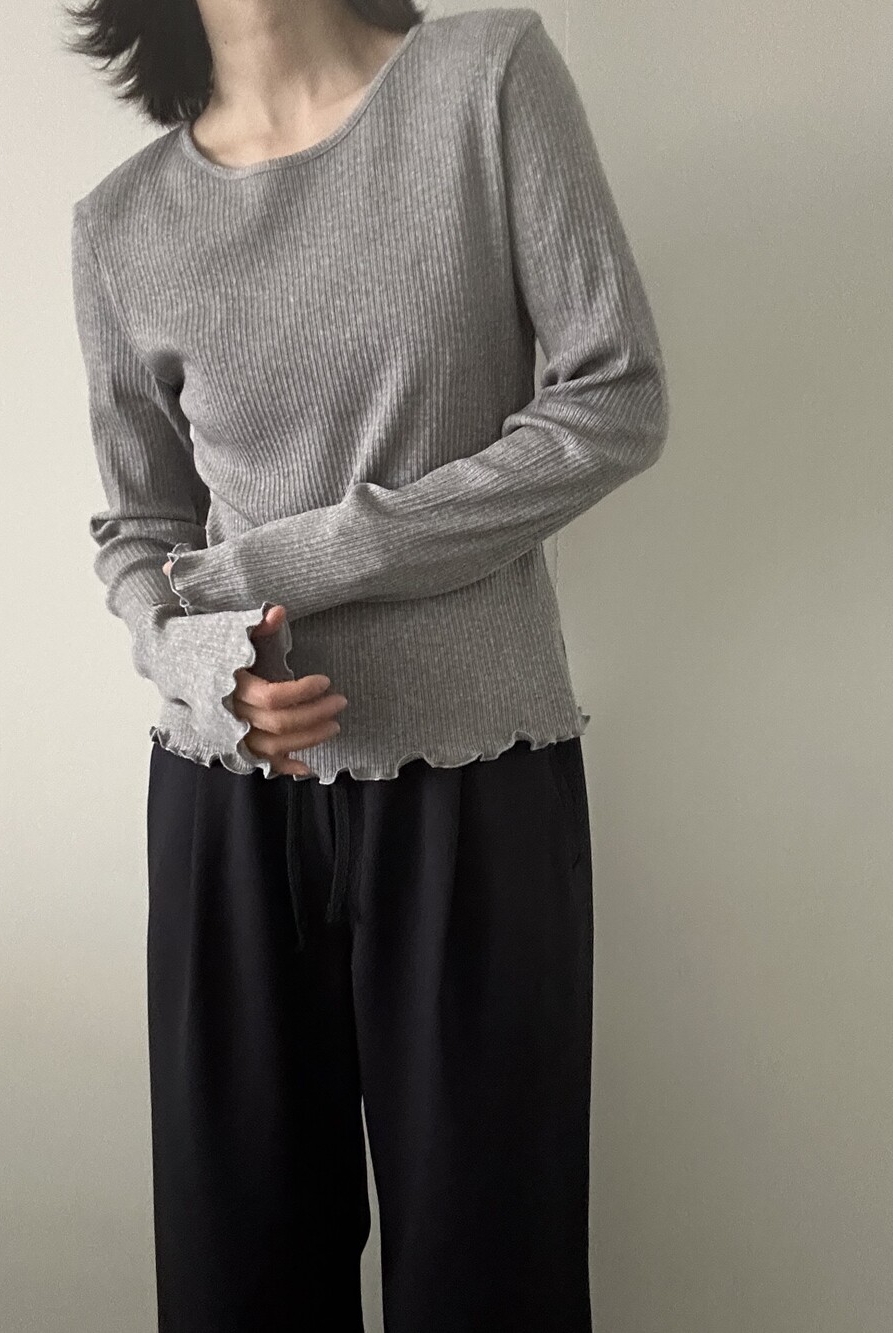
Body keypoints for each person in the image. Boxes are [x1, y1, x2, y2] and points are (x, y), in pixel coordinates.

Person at [65, 0, 670, 1328]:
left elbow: (613, 398)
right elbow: (144, 529)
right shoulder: (121, 224)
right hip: (226, 803)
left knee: (488, 1277)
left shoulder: (484, 78)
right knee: (237, 1282)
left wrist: (310, 556)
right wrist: (202, 663)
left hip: (476, 782)